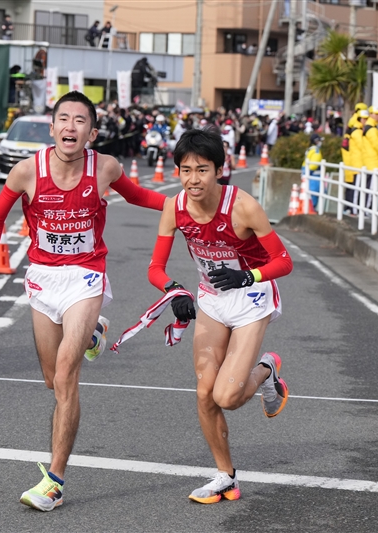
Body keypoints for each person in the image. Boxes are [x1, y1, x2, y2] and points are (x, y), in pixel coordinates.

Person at [0, 91, 167, 511]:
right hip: (43, 279)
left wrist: (184, 205)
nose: (70, 127)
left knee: (66, 377)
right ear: (52, 128)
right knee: (51, 380)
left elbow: (139, 196)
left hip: (86, 277)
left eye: (79, 120)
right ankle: (94, 335)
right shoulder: (27, 171)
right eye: (63, 119)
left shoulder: (105, 168)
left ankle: (55, 481)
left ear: (92, 132)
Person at [147, 128, 293, 503]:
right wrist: (173, 289)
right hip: (212, 298)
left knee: (226, 396)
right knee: (204, 393)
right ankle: (225, 475)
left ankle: (266, 369)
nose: (193, 179)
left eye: (202, 170)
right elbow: (155, 268)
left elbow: (284, 261)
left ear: (219, 170)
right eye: (185, 170)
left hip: (251, 296)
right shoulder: (174, 208)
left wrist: (247, 275)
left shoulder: (242, 206)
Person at [303, 134, 324, 208]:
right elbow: (314, 165)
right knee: (314, 197)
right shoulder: (316, 151)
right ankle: (312, 210)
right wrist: (309, 172)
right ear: (316, 141)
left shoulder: (309, 150)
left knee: (309, 196)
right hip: (315, 177)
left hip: (310, 176)